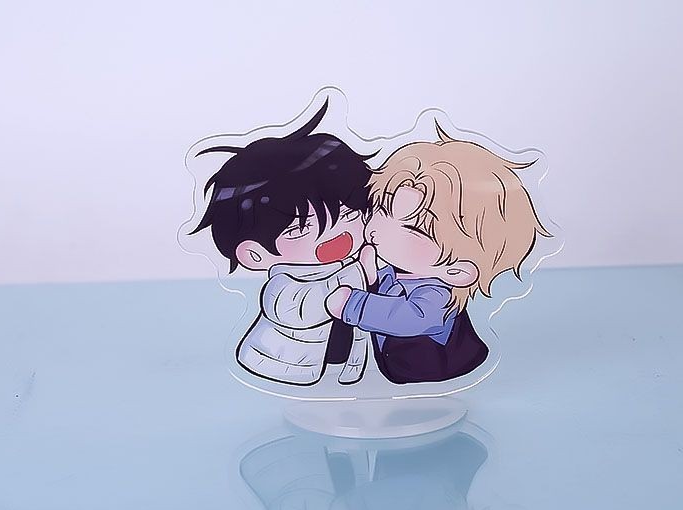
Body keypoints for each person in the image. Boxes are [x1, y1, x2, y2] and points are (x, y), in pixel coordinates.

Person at [326, 127, 551, 384]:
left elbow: (409, 318)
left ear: (457, 271)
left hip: (428, 371)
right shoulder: (405, 272)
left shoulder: (437, 295)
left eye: (413, 228)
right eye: (383, 208)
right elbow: (394, 290)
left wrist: (353, 305)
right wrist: (375, 277)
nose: (377, 228)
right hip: (395, 365)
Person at [190, 100, 376, 385]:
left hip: (342, 368)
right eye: (301, 229)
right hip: (279, 367)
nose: (337, 234)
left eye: (350, 214)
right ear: (254, 254)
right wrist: (360, 274)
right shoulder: (284, 285)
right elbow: (303, 310)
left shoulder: (353, 262)